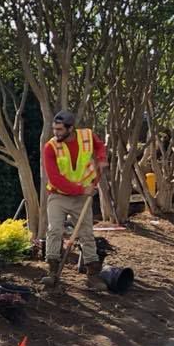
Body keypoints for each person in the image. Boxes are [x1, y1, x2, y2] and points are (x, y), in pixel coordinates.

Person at [41, 109, 108, 291]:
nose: (56, 133)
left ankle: (92, 275)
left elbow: (100, 146)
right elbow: (55, 179)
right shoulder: (50, 147)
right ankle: (52, 272)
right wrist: (81, 189)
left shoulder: (87, 136)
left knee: (86, 234)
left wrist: (101, 158)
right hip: (58, 196)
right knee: (54, 230)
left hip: (82, 198)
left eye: (60, 130)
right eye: (54, 129)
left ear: (71, 128)